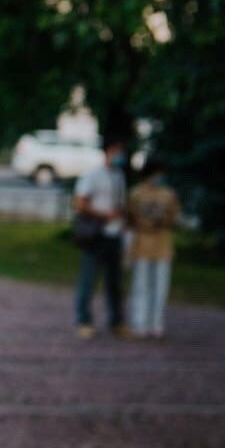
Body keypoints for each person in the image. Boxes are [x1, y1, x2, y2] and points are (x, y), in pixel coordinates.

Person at [73, 137, 128, 340]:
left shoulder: (119, 176)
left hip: (115, 234)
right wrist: (104, 215)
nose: (120, 156)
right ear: (108, 151)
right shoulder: (93, 176)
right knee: (89, 280)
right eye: (116, 151)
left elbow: (121, 205)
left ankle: (117, 321)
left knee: (115, 281)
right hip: (96, 234)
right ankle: (83, 320)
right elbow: (80, 203)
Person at [127, 158, 180, 339]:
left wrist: (162, 221)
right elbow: (130, 218)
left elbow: (173, 218)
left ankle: (156, 324)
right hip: (142, 245)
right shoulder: (136, 193)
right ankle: (139, 323)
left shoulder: (168, 194)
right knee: (141, 286)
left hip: (162, 245)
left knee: (160, 287)